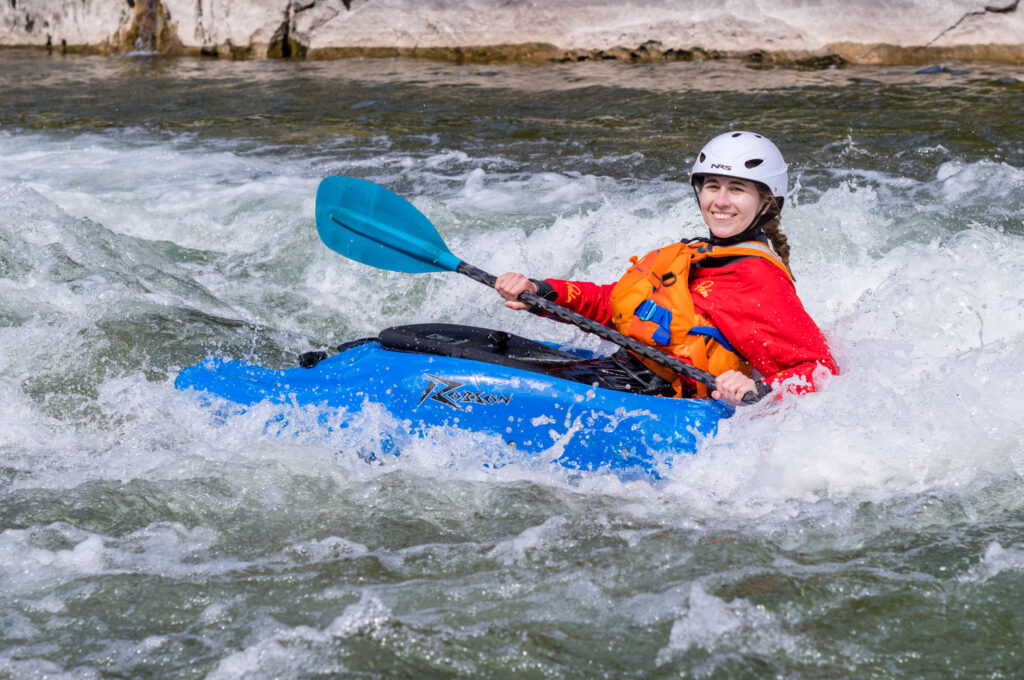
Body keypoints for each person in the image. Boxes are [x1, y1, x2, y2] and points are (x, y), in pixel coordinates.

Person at [494, 131, 838, 406]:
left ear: (766, 202)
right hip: (626, 373)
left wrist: (758, 389)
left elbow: (820, 371)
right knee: (449, 343)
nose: (720, 201)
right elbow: (617, 305)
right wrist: (542, 292)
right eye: (712, 186)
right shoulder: (699, 253)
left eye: (737, 190)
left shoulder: (758, 278)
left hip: (664, 402)